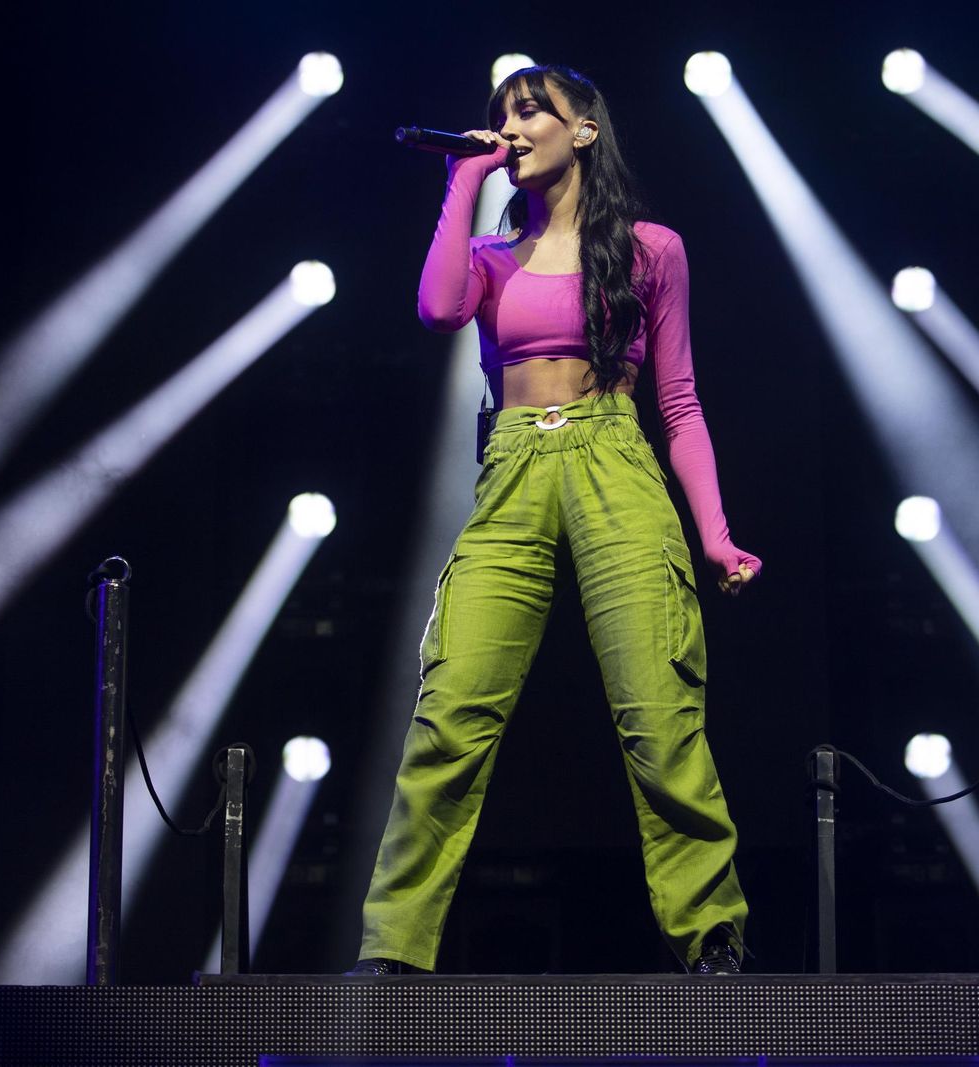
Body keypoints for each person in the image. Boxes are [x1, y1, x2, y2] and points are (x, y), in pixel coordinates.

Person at [348, 64, 760, 976]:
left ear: (583, 132)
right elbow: (436, 308)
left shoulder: (654, 249)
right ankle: (394, 949)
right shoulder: (491, 258)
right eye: (502, 114)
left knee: (659, 713)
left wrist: (715, 532)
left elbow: (681, 403)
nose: (514, 124)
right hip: (514, 471)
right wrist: (464, 180)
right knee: (451, 711)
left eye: (533, 111)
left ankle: (710, 934)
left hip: (617, 460)